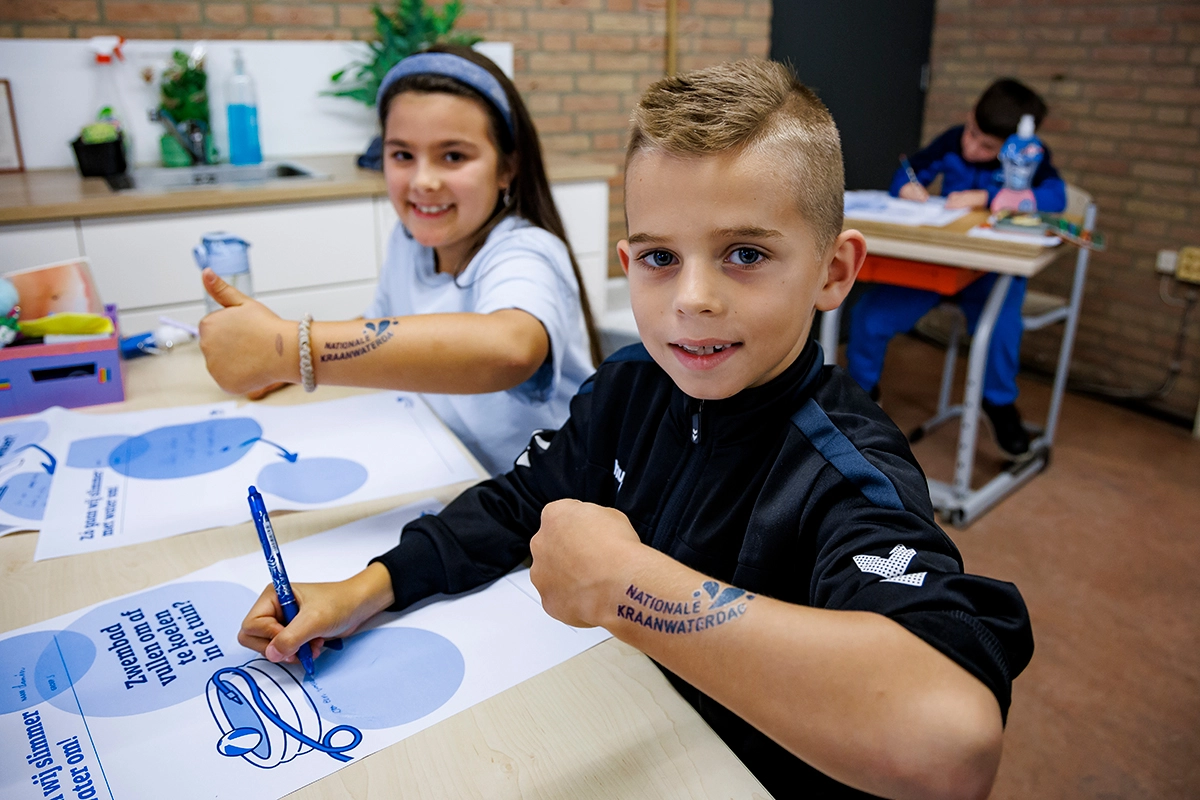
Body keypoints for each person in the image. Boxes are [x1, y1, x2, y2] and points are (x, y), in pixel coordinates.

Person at [238, 60, 1033, 799]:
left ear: (834, 271)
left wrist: (628, 587)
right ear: (626, 260)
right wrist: (362, 590)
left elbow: (950, 743)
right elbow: (520, 504)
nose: (693, 298)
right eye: (659, 257)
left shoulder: (845, 468)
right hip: (633, 729)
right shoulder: (631, 385)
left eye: (745, 253)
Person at [198, 45, 600, 476]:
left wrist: (288, 349)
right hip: (449, 466)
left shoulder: (526, 251)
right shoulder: (408, 241)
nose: (423, 182)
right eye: (402, 155)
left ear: (507, 168)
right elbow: (379, 325)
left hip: (541, 499)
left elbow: (509, 349)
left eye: (454, 156)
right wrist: (282, 368)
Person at [846, 78, 1067, 458]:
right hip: (939, 269)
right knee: (870, 315)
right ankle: (861, 395)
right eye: (971, 133)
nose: (971, 146)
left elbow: (1055, 197)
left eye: (987, 146)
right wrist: (906, 188)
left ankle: (998, 404)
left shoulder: (1030, 156)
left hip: (992, 275)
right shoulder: (951, 141)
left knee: (999, 329)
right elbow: (911, 171)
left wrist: (990, 196)